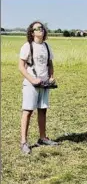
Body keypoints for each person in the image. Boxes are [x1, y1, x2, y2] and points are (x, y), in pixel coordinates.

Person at [19, 21, 58, 154]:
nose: (41, 30)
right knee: (28, 111)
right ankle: (23, 142)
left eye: (42, 28)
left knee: (43, 110)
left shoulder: (47, 46)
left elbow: (50, 63)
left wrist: (51, 77)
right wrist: (32, 79)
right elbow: (21, 67)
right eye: (37, 28)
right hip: (31, 83)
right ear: (32, 32)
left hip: (44, 83)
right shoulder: (27, 46)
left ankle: (42, 138)